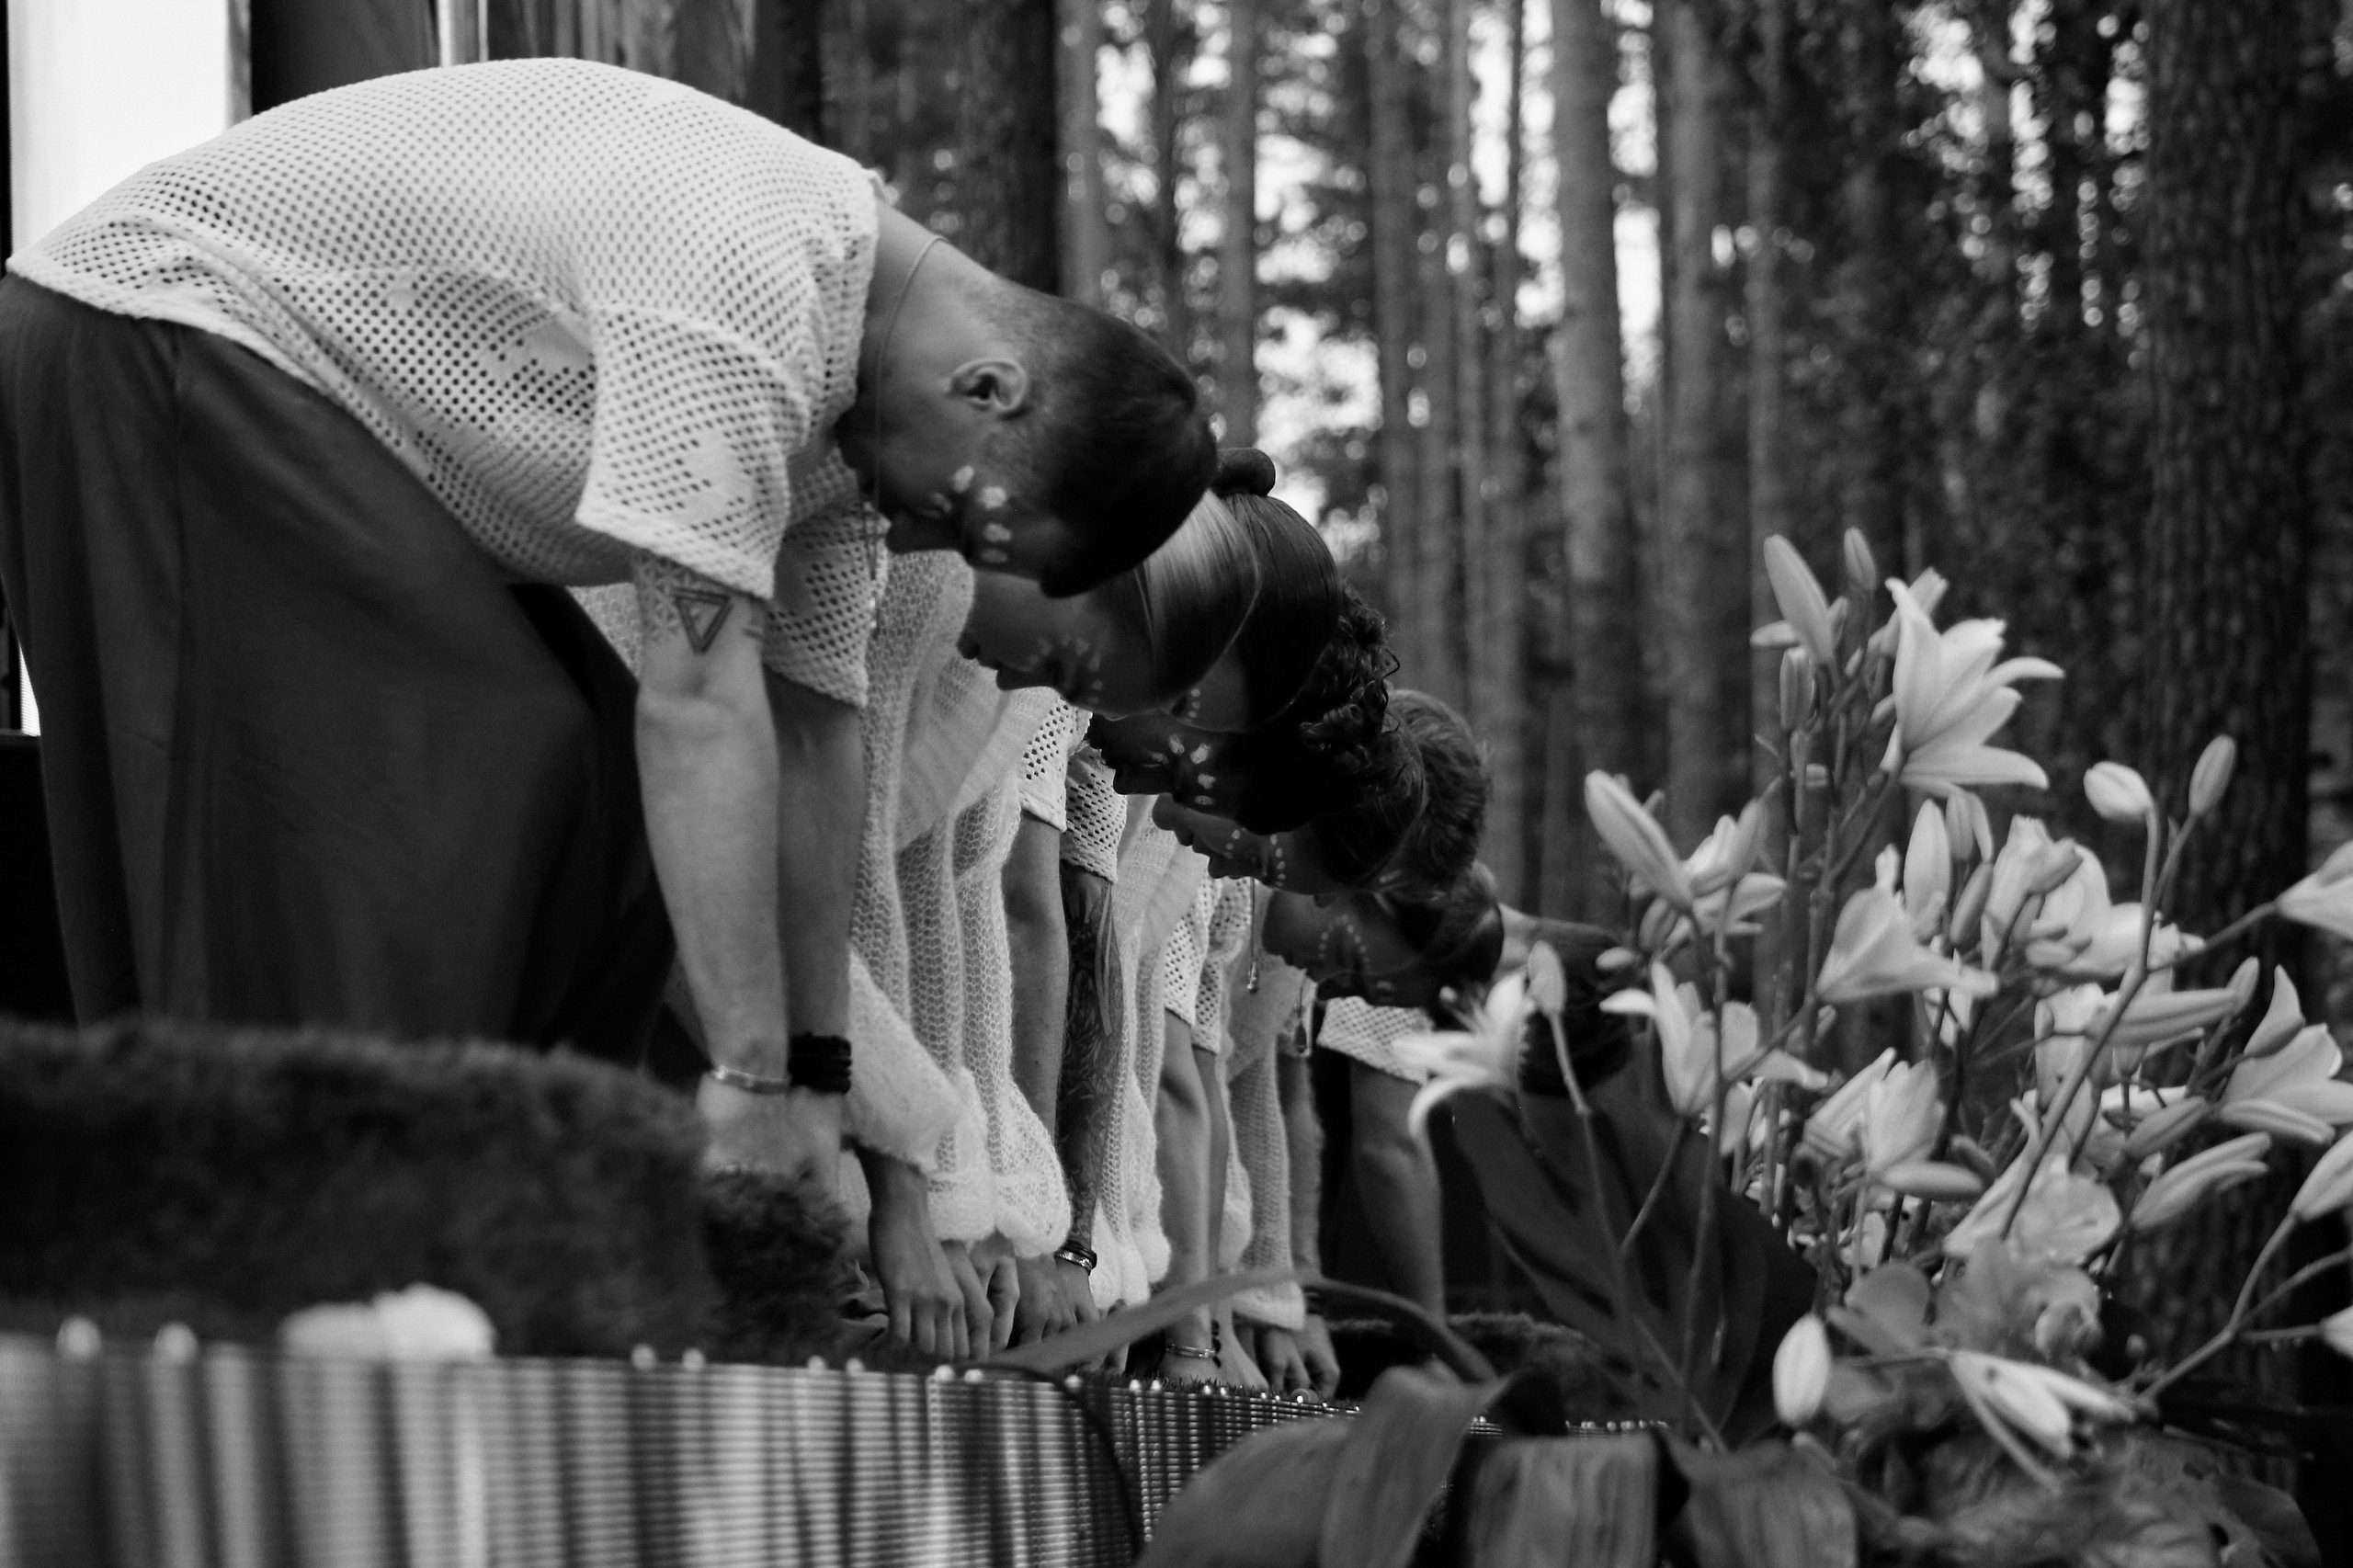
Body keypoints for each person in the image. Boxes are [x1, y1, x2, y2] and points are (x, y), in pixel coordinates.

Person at [0, 60, 1214, 1190]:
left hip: (286, 399)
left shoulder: (851, 444)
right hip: (162, 329)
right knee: (468, 770)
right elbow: (701, 708)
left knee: (608, 820)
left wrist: (822, 1079)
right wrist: (749, 1086)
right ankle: (320, 1220)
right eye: (969, 515)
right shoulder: (754, 289)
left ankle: (475, 1191)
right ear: (990, 387)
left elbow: (812, 746)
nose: (932, 541)